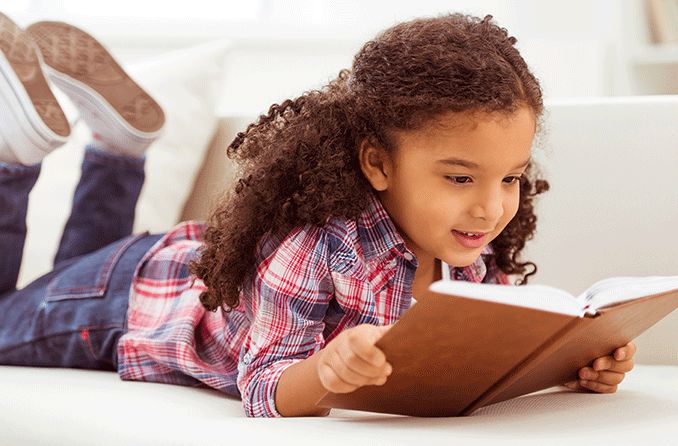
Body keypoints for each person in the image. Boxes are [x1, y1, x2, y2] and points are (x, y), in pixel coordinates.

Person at [0, 12, 636, 418]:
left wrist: (573, 363)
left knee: (68, 267)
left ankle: (119, 150)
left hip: (157, 266)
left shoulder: (466, 245)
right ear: (378, 164)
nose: (491, 205)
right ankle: (18, 158)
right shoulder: (314, 249)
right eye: (460, 177)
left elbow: (483, 358)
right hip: (126, 302)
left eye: (510, 178)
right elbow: (263, 388)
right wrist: (325, 374)